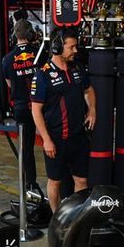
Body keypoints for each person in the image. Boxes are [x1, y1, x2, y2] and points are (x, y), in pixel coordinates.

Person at [30, 27, 96, 211]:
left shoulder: (77, 68)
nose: (76, 51)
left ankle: (76, 218)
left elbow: (89, 90)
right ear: (57, 47)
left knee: (82, 180)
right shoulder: (42, 75)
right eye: (71, 47)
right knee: (55, 181)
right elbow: (36, 110)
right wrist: (47, 140)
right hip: (56, 139)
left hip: (79, 136)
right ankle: (56, 219)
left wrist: (92, 110)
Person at [1, 19, 40, 190]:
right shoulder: (40, 53)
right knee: (52, 142)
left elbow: (9, 84)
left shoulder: (7, 59)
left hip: (21, 107)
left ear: (14, 36)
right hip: (42, 106)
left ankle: (30, 183)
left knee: (26, 147)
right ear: (31, 34)